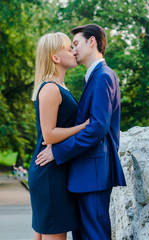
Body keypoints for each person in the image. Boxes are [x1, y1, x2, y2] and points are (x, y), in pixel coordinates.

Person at [36, 24, 126, 240]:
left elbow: (97, 128)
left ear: (92, 41)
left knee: (94, 234)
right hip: (85, 173)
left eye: (76, 44)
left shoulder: (103, 75)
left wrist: (57, 151)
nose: (74, 50)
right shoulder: (94, 76)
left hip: (93, 173)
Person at [28, 32, 89, 240]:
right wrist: (83, 127)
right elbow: (49, 135)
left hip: (55, 171)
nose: (73, 51)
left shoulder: (60, 87)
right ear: (55, 58)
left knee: (43, 235)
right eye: (67, 48)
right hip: (49, 174)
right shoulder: (51, 88)